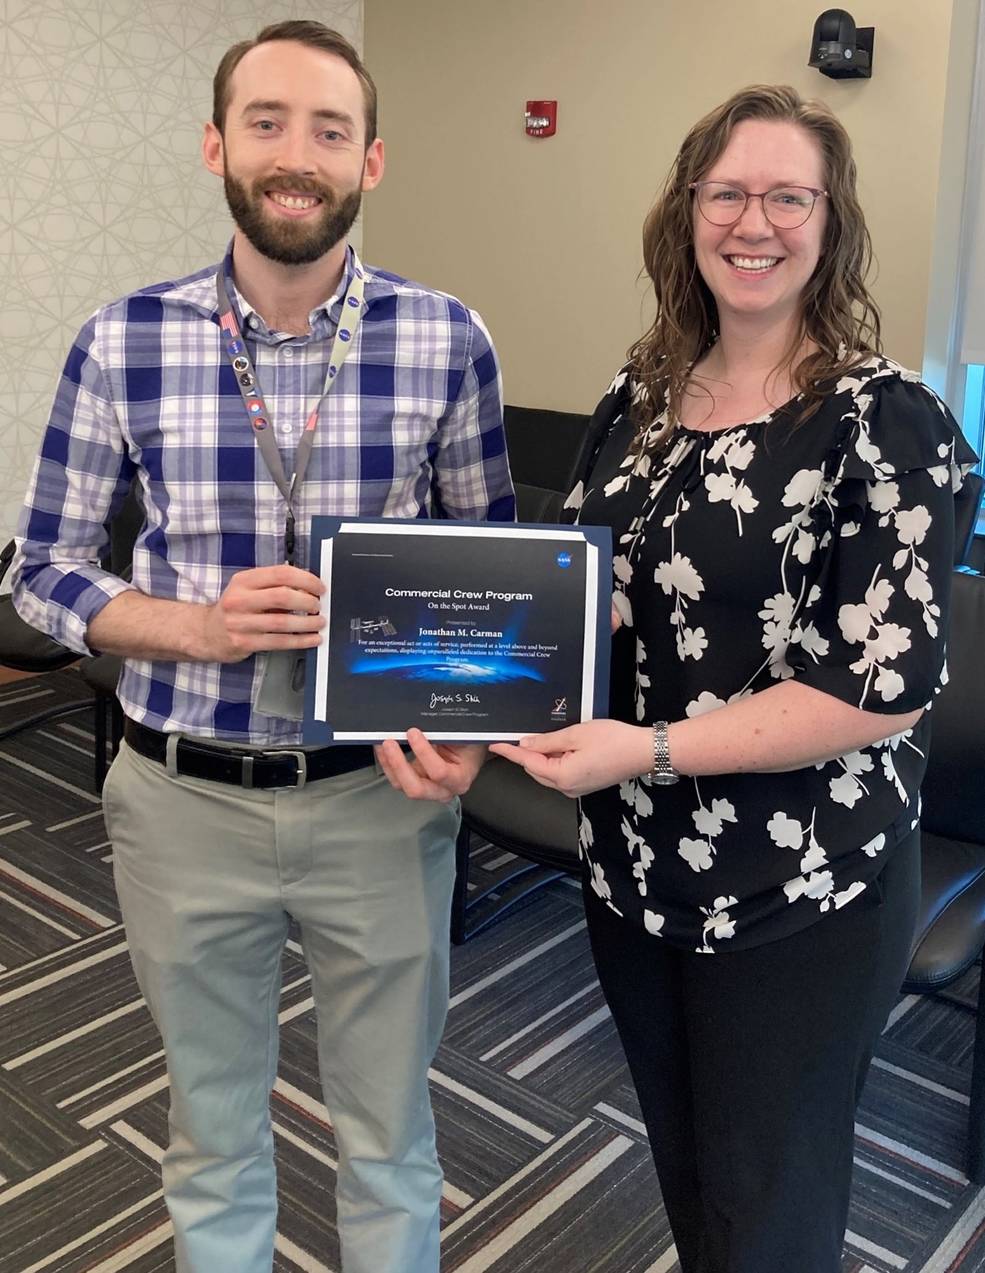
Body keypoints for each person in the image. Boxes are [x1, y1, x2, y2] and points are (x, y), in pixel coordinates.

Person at [384, 85, 979, 1271]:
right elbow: (590, 604)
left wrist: (646, 748)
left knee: (769, 1195)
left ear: (830, 221)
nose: (753, 221)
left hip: (799, 887)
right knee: (689, 1165)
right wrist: (465, 711)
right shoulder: (640, 400)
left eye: (786, 195)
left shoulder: (886, 423)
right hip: (635, 864)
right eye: (727, 192)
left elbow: (880, 688)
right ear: (687, 212)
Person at [12, 21, 513, 1273]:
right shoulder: (120, 339)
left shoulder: (448, 338)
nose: (299, 155)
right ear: (217, 145)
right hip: (183, 800)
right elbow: (39, 567)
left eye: (330, 130)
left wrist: (460, 735)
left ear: (373, 162)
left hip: (379, 803)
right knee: (212, 1132)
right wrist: (192, 625)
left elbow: (492, 582)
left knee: (388, 1138)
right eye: (269, 122)